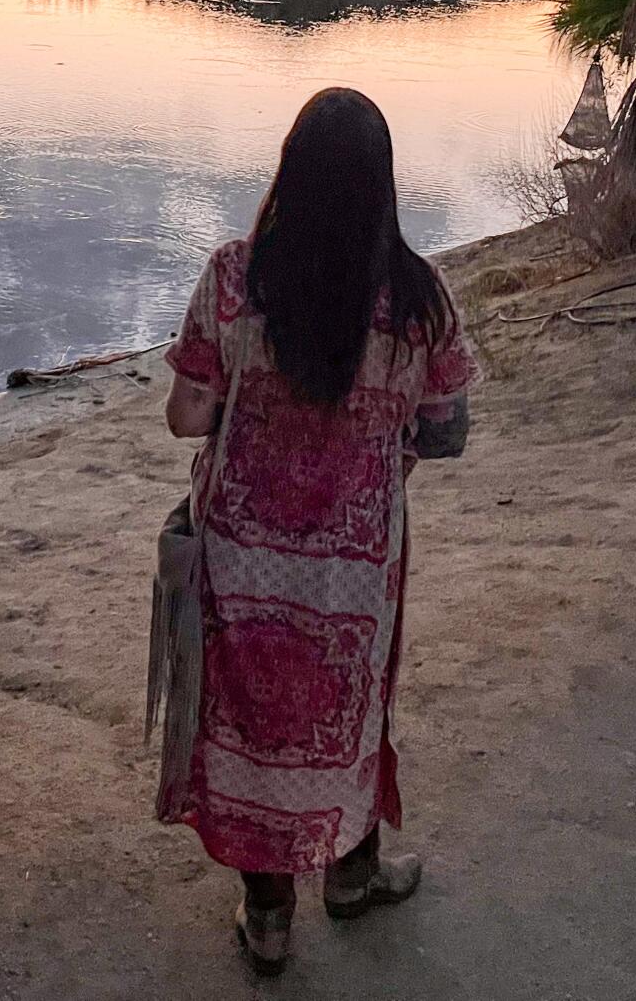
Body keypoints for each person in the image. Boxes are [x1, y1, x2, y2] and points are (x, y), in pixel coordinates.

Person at [161, 87, 481, 977]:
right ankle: (354, 875)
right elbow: (448, 433)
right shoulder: (420, 298)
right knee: (350, 708)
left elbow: (188, 417)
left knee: (251, 724)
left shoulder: (234, 278)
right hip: (356, 563)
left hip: (242, 552)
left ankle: (268, 919)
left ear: (289, 169)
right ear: (383, 184)